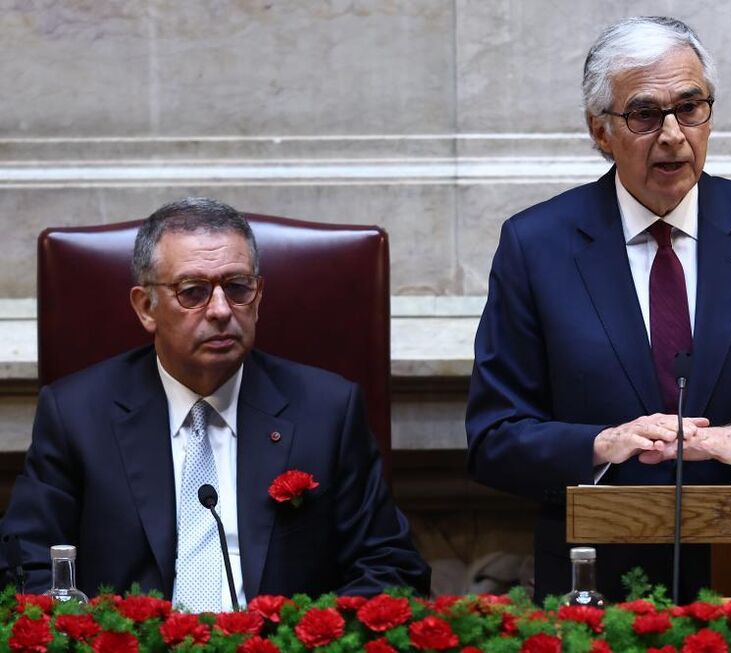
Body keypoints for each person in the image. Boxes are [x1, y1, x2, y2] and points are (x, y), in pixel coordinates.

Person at [466, 16, 731, 602]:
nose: (673, 134)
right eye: (644, 114)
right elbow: (494, 438)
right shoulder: (537, 246)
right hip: (596, 587)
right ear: (600, 131)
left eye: (690, 107)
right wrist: (602, 444)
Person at [0, 198, 429, 608]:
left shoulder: (328, 410)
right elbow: (26, 569)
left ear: (258, 298)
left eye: (238, 287)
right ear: (146, 307)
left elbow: (391, 568)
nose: (221, 310)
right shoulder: (76, 414)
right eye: (193, 291)